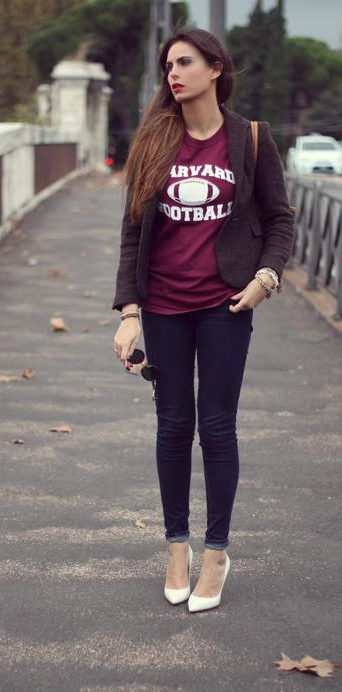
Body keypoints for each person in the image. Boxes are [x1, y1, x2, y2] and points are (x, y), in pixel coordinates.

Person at [111, 27, 294, 613]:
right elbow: (133, 233)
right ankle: (176, 548)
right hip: (163, 304)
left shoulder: (251, 141)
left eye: (185, 62)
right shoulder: (154, 142)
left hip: (224, 304)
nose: (174, 73)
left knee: (216, 428)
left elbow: (281, 221)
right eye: (169, 65)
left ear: (216, 68)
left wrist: (265, 280)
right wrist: (129, 312)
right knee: (171, 427)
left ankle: (217, 551)